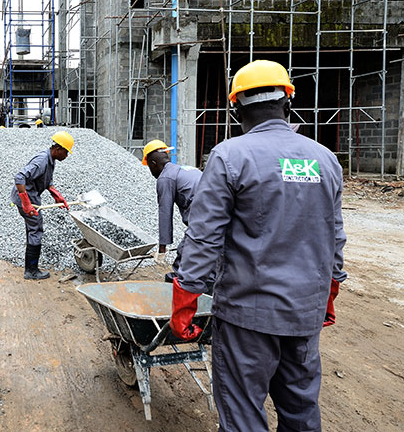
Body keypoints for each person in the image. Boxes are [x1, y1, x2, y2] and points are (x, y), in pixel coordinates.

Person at [171, 60, 346, 431]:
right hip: (303, 313)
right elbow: (334, 235)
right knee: (301, 410)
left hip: (247, 316)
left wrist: (185, 300)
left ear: (236, 108)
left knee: (242, 414)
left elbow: (204, 237)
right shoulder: (325, 159)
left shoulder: (229, 156)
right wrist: (329, 291)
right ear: (288, 101)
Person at [9, 131, 74, 280]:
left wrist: (56, 194)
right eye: (66, 152)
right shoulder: (42, 161)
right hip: (26, 198)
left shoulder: (50, 160)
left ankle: (30, 267)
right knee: (36, 229)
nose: (66, 156)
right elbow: (19, 177)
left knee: (32, 230)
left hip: (31, 197)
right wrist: (26, 203)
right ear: (58, 149)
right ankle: (31, 270)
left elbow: (47, 181)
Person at [141, 139, 202, 282]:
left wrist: (162, 249)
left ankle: (176, 295)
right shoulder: (187, 169)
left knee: (183, 261)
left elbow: (165, 213)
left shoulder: (165, 178)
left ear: (153, 164)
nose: (150, 171)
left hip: (203, 217)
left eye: (149, 166)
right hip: (221, 213)